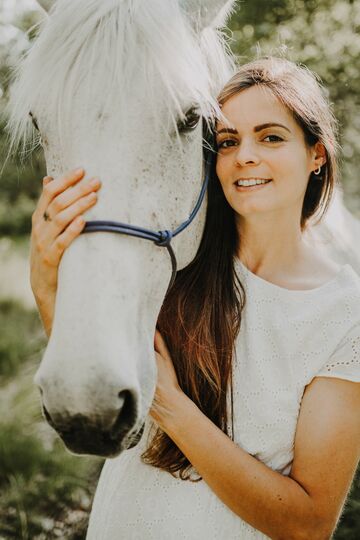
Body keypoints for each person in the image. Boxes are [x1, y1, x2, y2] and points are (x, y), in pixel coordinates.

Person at [30, 57, 360, 539]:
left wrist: (170, 406)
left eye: (270, 137)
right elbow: (92, 391)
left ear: (317, 154)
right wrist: (43, 279)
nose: (245, 155)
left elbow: (308, 525)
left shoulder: (343, 314)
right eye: (228, 142)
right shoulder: (175, 267)